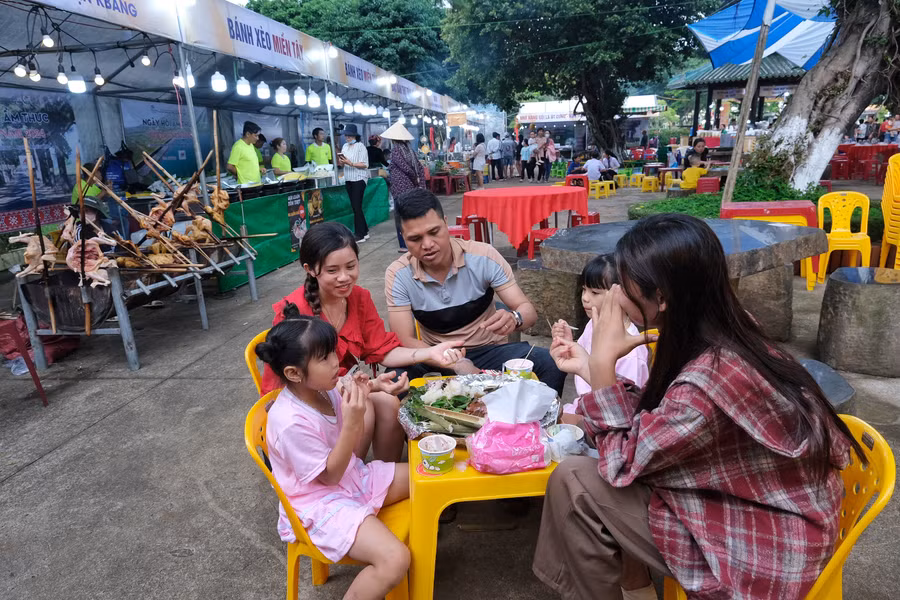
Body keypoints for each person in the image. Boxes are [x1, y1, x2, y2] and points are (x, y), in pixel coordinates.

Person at [533, 213, 863, 600]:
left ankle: (624, 589)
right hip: (768, 507)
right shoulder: (726, 329)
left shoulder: (707, 380)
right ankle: (633, 587)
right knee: (583, 471)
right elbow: (656, 422)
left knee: (575, 483)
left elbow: (622, 463)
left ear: (662, 298)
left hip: (765, 548)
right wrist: (590, 367)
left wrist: (603, 364)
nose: (616, 294)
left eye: (624, 282)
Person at [261, 222, 465, 460]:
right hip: (307, 401)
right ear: (310, 269)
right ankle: (347, 477)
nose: (344, 277)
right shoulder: (294, 312)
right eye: (332, 270)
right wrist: (363, 387)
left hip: (340, 388)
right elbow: (291, 384)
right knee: (364, 406)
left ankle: (381, 472)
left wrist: (430, 353)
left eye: (351, 266)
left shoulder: (358, 297)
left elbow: (381, 348)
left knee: (389, 403)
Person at [257, 317, 412, 600]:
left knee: (423, 477)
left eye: (332, 351)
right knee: (395, 560)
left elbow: (346, 391)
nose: (335, 361)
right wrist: (352, 422)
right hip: (319, 504)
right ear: (294, 373)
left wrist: (372, 386)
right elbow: (329, 477)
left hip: (351, 479)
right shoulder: (290, 423)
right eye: (324, 357)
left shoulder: (322, 388)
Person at [385, 189, 566, 395]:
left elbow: (528, 311)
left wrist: (514, 319)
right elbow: (405, 340)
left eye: (434, 232)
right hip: (434, 356)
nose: (427, 245)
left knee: (551, 362)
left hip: (489, 350)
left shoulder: (483, 257)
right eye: (415, 238)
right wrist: (454, 362)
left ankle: (542, 416)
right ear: (403, 238)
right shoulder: (398, 275)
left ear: (446, 223)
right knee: (394, 378)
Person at [551, 254, 649, 424]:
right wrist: (569, 344)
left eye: (595, 292)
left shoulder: (633, 353)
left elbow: (626, 409)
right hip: (584, 407)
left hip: (608, 421)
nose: (585, 297)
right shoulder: (594, 324)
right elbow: (583, 360)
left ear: (622, 294)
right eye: (584, 289)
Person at [382, 122, 425, 252]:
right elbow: (418, 167)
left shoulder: (396, 150)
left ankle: (404, 244)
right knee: (410, 214)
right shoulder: (409, 150)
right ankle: (413, 239)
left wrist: (415, 179)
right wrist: (418, 182)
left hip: (400, 188)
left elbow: (405, 168)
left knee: (401, 216)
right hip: (410, 187)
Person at [338, 124, 370, 242]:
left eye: (349, 135)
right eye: (346, 135)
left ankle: (359, 234)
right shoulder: (345, 146)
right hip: (348, 178)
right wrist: (342, 162)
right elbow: (342, 163)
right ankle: (364, 231)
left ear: (355, 136)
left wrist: (350, 163)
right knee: (356, 207)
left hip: (359, 179)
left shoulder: (361, 147)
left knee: (357, 206)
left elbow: (365, 164)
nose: (347, 137)